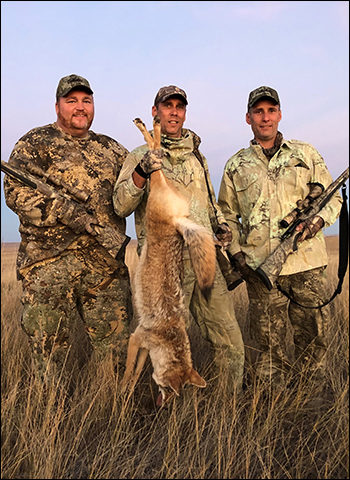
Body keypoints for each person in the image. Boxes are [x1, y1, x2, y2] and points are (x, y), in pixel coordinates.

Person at [3, 74, 132, 388]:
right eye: (71, 100)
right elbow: (14, 194)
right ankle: (50, 421)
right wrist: (62, 211)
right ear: (57, 105)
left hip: (104, 266)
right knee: (47, 354)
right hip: (47, 265)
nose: (80, 107)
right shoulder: (34, 142)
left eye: (86, 101)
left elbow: (134, 191)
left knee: (115, 351)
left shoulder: (112, 149)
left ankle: (112, 412)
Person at [113, 85, 245, 391]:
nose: (174, 112)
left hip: (203, 258)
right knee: (164, 346)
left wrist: (221, 226)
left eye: (179, 106)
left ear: (184, 111)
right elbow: (121, 204)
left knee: (229, 338)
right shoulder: (138, 155)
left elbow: (211, 202)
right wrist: (142, 172)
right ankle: (170, 408)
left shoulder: (197, 154)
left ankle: (229, 408)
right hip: (164, 269)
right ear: (154, 112)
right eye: (167, 106)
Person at [218, 85, 343, 388]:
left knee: (313, 337)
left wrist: (314, 223)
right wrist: (236, 255)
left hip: (306, 264)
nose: (265, 118)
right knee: (267, 346)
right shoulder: (236, 165)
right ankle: (273, 406)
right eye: (258, 112)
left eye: (271, 111)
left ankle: (312, 400)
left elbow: (333, 199)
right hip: (259, 267)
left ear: (280, 114)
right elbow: (225, 216)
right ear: (248, 118)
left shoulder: (306, 154)